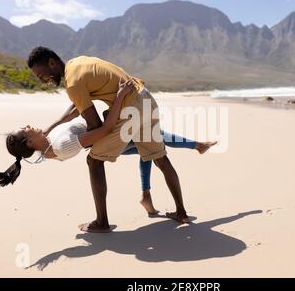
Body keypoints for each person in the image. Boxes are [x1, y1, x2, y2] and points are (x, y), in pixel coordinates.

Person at [25, 46, 190, 233]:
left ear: (52, 63)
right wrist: (53, 126)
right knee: (160, 158)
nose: (41, 79)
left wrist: (88, 142)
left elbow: (94, 124)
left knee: (94, 160)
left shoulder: (72, 83)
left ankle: (102, 222)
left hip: (130, 109)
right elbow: (77, 106)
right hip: (145, 98)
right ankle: (181, 212)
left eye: (41, 74)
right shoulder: (77, 64)